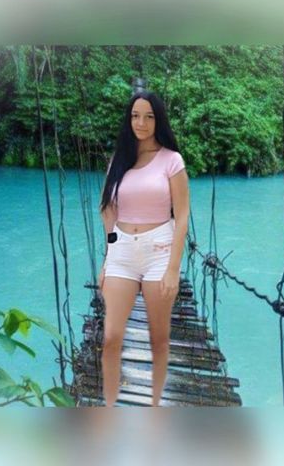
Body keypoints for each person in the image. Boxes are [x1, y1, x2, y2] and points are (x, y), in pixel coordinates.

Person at [98, 90, 190, 407]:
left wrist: (173, 269)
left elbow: (182, 215)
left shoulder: (172, 160)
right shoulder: (118, 161)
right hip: (122, 251)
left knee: (158, 339)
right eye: (135, 116)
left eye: (149, 116)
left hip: (159, 251)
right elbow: (108, 211)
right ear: (129, 119)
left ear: (158, 120)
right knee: (111, 338)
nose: (141, 123)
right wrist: (108, 260)